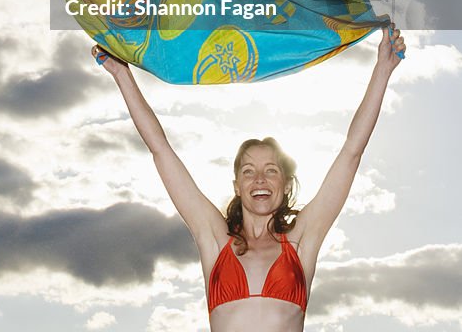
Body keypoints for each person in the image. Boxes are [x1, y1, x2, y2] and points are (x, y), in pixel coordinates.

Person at [93, 25, 405, 331]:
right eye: (248, 171)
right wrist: (122, 74)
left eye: (271, 170)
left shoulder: (302, 241)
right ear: (237, 187)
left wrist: (382, 69)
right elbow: (160, 149)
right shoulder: (215, 240)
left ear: (284, 185)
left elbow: (351, 152)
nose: (259, 179)